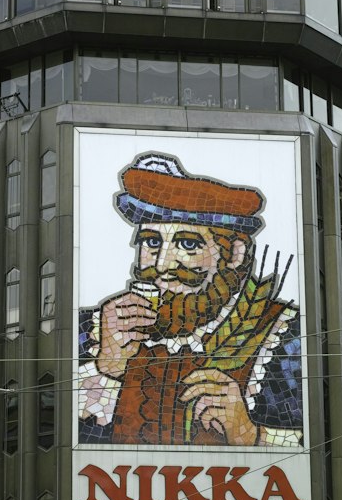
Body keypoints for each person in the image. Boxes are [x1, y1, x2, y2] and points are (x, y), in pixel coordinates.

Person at [78, 152, 302, 446]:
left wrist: (251, 433)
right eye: (152, 242)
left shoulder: (285, 337)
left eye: (187, 244)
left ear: (235, 253)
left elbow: (327, 445)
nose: (161, 265)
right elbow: (53, 438)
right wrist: (105, 368)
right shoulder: (92, 329)